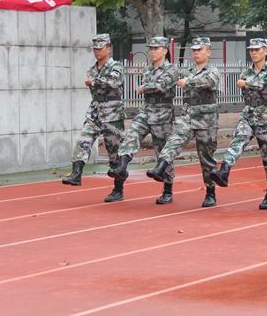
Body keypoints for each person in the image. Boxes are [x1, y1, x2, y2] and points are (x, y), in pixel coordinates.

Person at [146, 37, 220, 207]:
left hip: (206, 120)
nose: (196, 53)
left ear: (208, 51)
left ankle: (210, 192)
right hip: (188, 116)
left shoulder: (213, 71)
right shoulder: (186, 71)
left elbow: (209, 82)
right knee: (173, 142)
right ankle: (160, 167)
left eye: (199, 50)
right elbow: (168, 80)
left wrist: (189, 82)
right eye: (193, 50)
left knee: (206, 158)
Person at [210, 38, 267, 209]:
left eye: (257, 50)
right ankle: (224, 170)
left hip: (266, 117)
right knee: (237, 141)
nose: (253, 53)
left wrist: (247, 84)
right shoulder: (246, 72)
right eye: (251, 50)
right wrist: (247, 83)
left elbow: (266, 84)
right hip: (249, 114)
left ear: (265, 51)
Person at [108, 37, 179, 204]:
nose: (152, 51)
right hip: (147, 109)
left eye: (156, 48)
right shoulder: (148, 70)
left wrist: (144, 88)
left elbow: (162, 85)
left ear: (164, 50)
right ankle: (122, 166)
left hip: (163, 112)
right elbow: (152, 89)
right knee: (132, 135)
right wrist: (148, 88)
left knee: (163, 151)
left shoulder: (172, 69)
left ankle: (167, 189)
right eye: (151, 48)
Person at [62, 33, 126, 203]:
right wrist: (96, 83)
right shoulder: (92, 69)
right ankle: (76, 173)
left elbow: (113, 82)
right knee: (84, 140)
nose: (97, 52)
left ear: (109, 48)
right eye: (95, 49)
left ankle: (118, 188)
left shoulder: (116, 67)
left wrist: (95, 82)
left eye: (100, 48)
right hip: (95, 110)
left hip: (112, 112)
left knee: (114, 152)